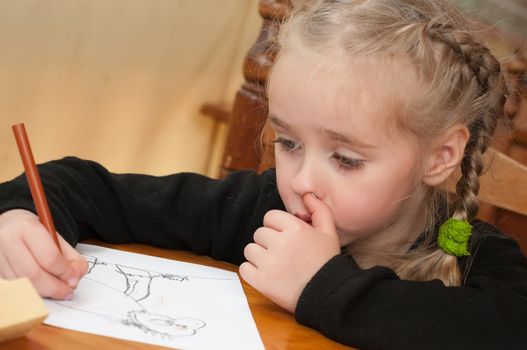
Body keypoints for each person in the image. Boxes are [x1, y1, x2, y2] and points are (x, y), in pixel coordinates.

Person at [0, 0, 526, 348]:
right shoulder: (261, 211)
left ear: (440, 156)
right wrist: (19, 217)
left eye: (345, 159)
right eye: (290, 143)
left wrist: (324, 286)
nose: (300, 180)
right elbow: (90, 187)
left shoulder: (477, 257)